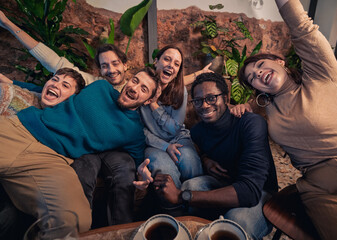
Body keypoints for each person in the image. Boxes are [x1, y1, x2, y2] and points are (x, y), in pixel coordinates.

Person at [238, 0, 337, 239]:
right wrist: (242, 107)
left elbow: (303, 28)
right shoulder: (268, 106)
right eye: (252, 77)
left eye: (261, 64)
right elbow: (251, 106)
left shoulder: (321, 75)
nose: (259, 73)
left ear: (280, 61)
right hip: (323, 190)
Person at [0, 67, 159, 233]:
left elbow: (139, 162)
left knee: (76, 221)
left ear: (148, 100)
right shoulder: (100, 87)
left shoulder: (133, 131)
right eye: (135, 80)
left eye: (144, 89)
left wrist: (142, 172)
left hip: (52, 160)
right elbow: (53, 90)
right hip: (22, 130)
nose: (134, 88)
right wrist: (13, 83)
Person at [137, 72, 278, 239]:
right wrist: (205, 159)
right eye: (198, 100)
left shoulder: (251, 123)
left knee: (234, 222)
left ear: (226, 98)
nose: (204, 105)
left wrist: (182, 196)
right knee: (190, 185)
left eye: (211, 98)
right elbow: (199, 148)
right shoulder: (198, 131)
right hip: (226, 182)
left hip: (259, 192)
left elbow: (249, 191)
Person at [140, 46, 203, 204]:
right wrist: (164, 147)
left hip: (178, 137)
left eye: (176, 64)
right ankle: (174, 209)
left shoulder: (180, 90)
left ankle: (197, 204)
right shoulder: (142, 88)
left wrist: (154, 105)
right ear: (156, 61)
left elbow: (175, 128)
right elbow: (141, 131)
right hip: (153, 143)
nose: (170, 65)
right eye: (167, 59)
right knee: (164, 169)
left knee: (189, 160)